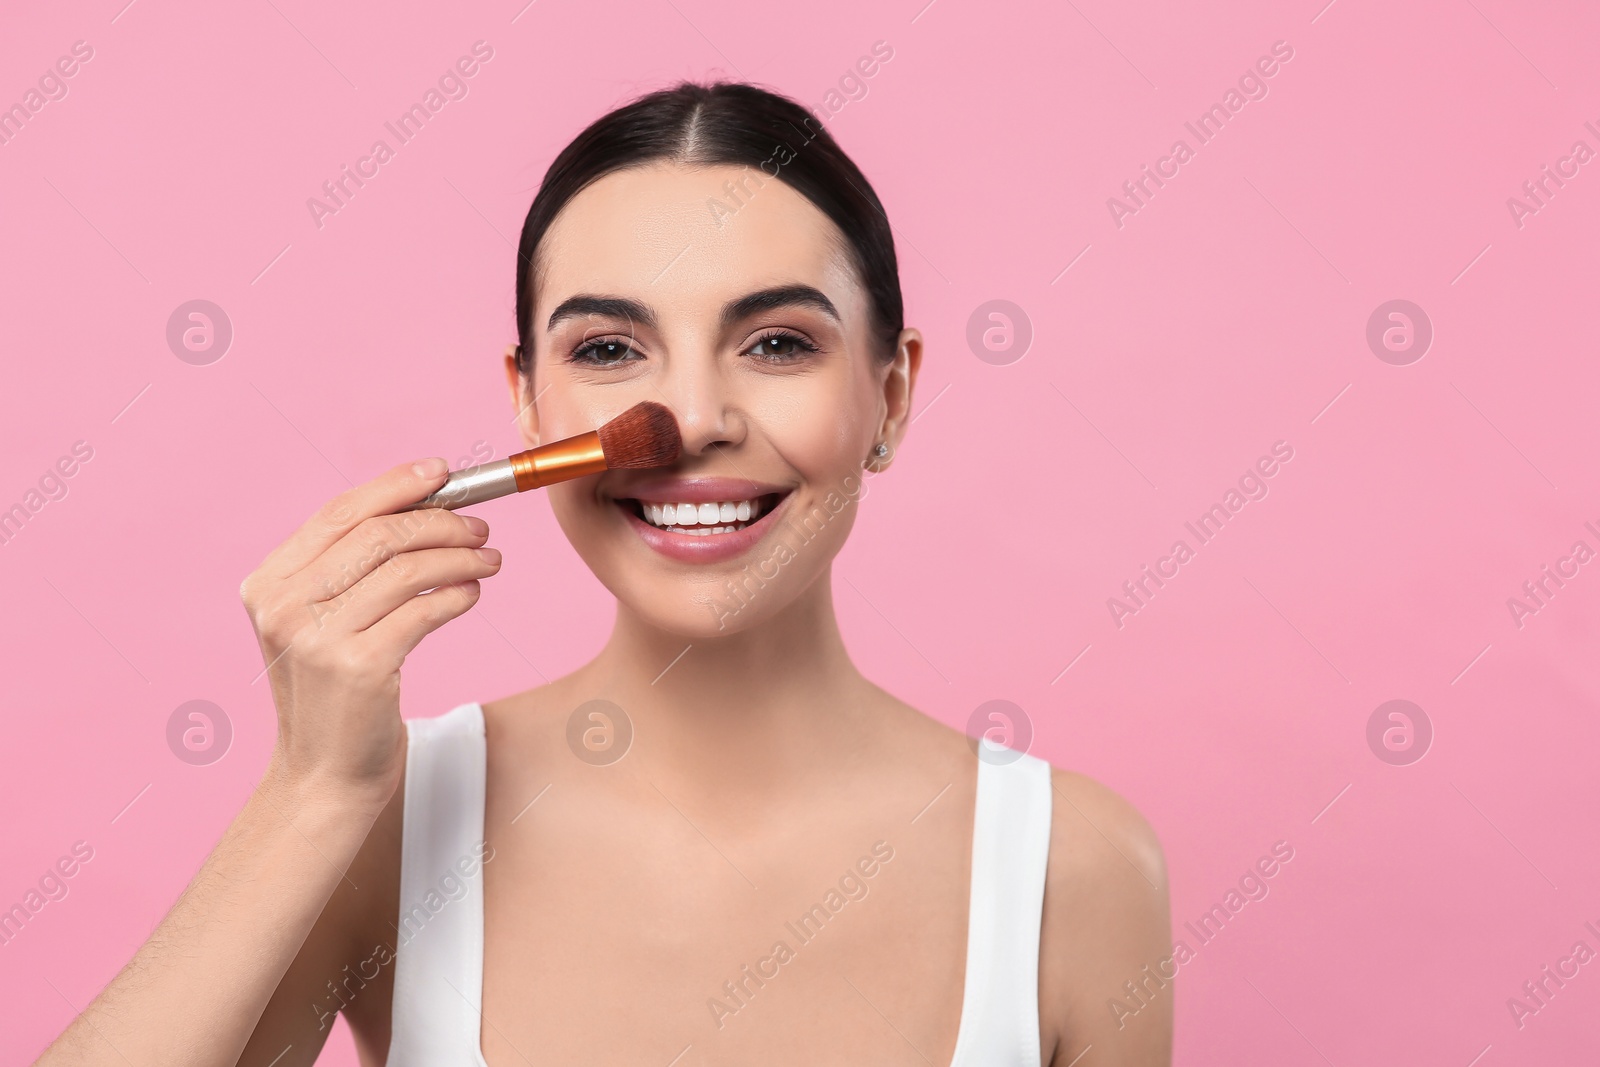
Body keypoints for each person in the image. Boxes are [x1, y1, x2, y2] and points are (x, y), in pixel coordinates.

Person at [39, 81, 1172, 1067]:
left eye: (777, 341)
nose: (687, 421)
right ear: (527, 401)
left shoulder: (1071, 864)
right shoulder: (386, 822)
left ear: (893, 392)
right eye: (607, 349)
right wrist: (311, 788)